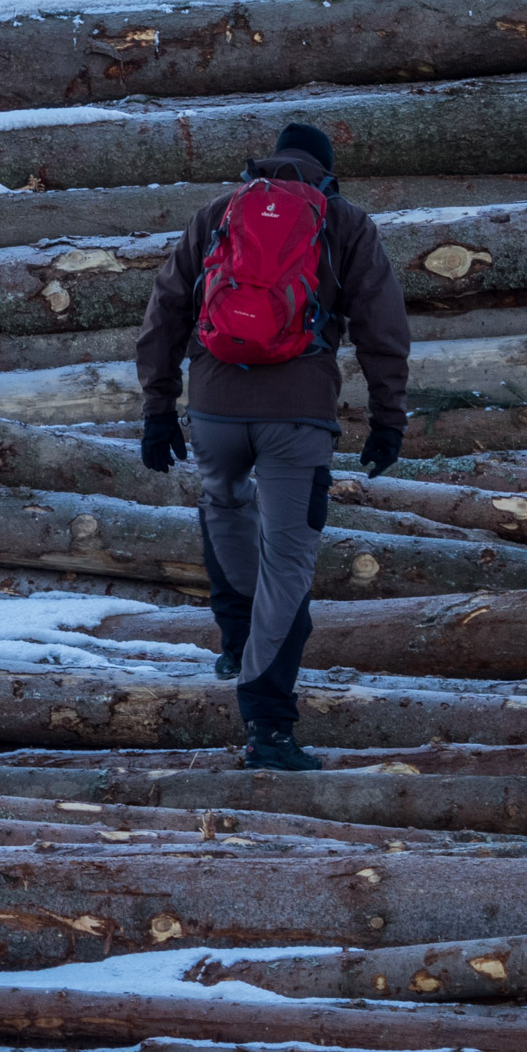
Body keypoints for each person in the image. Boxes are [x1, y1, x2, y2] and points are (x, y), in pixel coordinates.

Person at [134, 122, 410, 771]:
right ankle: (269, 731)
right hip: (298, 417)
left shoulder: (218, 214)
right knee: (286, 567)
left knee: (224, 508)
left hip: (214, 408)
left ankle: (235, 640)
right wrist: (387, 418)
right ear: (324, 169)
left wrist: (157, 409)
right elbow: (383, 329)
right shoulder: (344, 222)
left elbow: (164, 313)